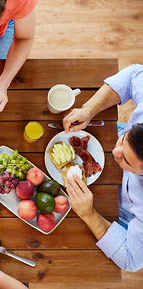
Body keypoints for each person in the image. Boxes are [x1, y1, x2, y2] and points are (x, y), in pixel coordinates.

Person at [62, 64, 143, 272]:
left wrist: (89, 214)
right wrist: (89, 109)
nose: (113, 153)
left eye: (124, 159)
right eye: (123, 143)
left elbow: (131, 260)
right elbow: (135, 74)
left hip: (125, 211)